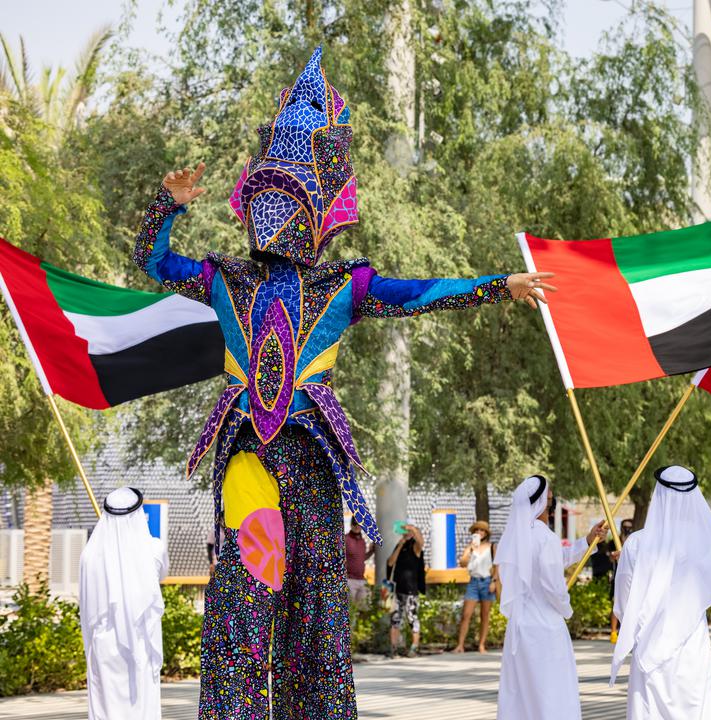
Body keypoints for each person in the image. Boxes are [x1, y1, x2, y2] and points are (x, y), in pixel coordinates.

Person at [132, 47, 556, 718]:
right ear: (253, 201)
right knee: (245, 596)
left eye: (291, 197)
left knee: (316, 605)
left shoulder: (341, 286)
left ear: (322, 209)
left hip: (312, 457)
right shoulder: (225, 278)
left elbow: (420, 293)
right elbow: (150, 259)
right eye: (271, 196)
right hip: (248, 454)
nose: (278, 213)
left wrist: (498, 285)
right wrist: (168, 204)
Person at [611, 466, 711, 719]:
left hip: (649, 642)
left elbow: (623, 604)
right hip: (692, 646)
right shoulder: (706, 544)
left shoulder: (636, 544)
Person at [495, 475, 606, 720]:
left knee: (522, 695)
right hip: (546, 628)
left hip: (520, 628)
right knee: (551, 694)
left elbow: (559, 558)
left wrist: (588, 541)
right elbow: (554, 586)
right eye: (551, 498)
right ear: (544, 504)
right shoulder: (545, 537)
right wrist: (566, 609)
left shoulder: (516, 537)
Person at [79, 487, 169, 720]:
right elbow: (162, 575)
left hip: (103, 644)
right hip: (141, 641)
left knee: (106, 708)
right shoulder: (154, 548)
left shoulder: (89, 554)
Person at [452, 520, 498, 653]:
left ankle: (482, 644)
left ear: (486, 533)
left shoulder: (491, 547)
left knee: (485, 614)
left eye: (482, 530)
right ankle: (460, 645)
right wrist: (470, 550)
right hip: (473, 581)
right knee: (466, 614)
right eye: (477, 530)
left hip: (487, 581)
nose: (479, 532)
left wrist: (494, 581)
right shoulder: (470, 547)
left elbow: (497, 565)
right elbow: (462, 563)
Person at [386, 523, 426, 658]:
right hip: (398, 590)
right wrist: (400, 545)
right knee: (395, 619)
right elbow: (390, 563)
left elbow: (421, 543)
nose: (406, 534)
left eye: (409, 532)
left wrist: (414, 529)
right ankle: (393, 648)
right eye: (405, 532)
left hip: (411, 591)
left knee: (412, 619)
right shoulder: (400, 546)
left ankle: (414, 647)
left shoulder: (415, 547)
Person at [608, 518, 634, 642]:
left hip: (631, 576)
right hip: (618, 574)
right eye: (625, 526)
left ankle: (627, 631)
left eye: (629, 527)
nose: (627, 529)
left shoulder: (634, 540)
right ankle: (614, 632)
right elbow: (609, 555)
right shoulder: (615, 539)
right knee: (616, 603)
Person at [345, 516, 376, 606]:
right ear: (351, 525)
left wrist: (371, 551)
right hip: (349, 579)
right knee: (350, 610)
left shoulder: (362, 541)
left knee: (364, 607)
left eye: (359, 524)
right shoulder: (346, 539)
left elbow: (362, 558)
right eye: (355, 524)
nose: (357, 526)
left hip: (361, 579)